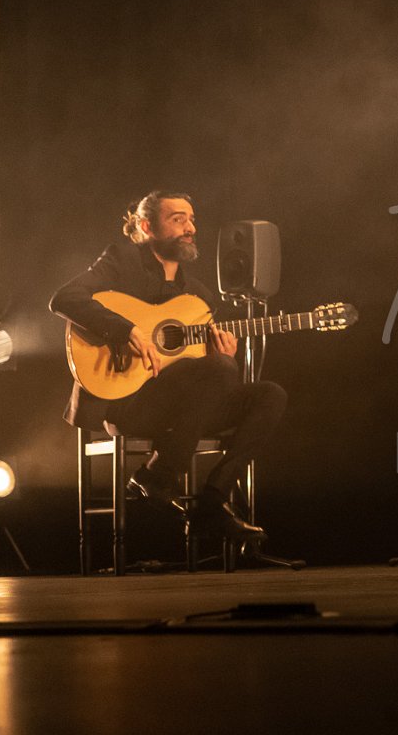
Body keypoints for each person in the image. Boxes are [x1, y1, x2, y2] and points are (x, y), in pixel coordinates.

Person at [52, 191, 285, 545]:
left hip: (186, 411)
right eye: (177, 219)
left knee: (269, 395)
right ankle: (159, 475)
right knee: (219, 369)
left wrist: (225, 355)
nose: (190, 228)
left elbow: (208, 371)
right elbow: (64, 298)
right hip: (130, 401)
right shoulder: (121, 260)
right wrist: (126, 330)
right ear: (147, 227)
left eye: (191, 219)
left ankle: (212, 501)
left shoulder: (199, 296)